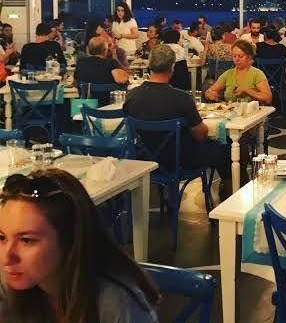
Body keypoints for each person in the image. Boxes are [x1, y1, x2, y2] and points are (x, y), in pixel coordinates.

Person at [0, 168, 160, 322]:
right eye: (2, 237)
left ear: (69, 238)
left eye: (26, 240)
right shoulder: (10, 280)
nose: (6, 258)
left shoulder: (118, 304)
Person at [124, 45, 231, 197]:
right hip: (180, 159)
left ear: (150, 65)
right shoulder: (181, 98)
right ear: (172, 67)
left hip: (144, 158)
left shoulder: (132, 96)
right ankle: (228, 195)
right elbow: (200, 134)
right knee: (225, 150)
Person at [205, 40, 272, 104]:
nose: (237, 59)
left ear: (249, 57)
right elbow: (209, 91)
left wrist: (247, 91)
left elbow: (268, 98)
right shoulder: (228, 74)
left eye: (240, 56)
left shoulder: (257, 74)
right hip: (231, 111)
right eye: (234, 56)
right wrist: (210, 94)